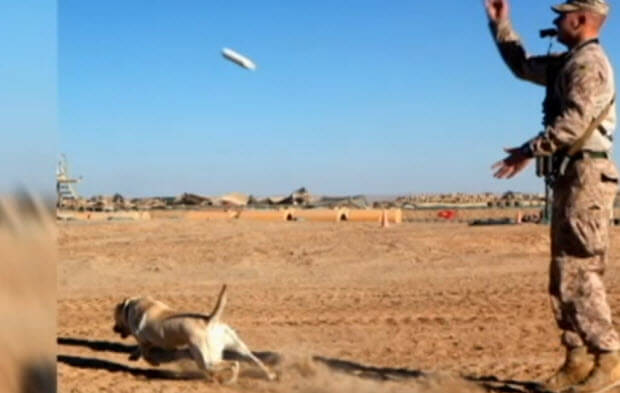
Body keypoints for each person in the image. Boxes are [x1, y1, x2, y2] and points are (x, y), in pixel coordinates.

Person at [484, 0, 619, 391]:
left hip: (587, 175)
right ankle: (577, 357)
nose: (556, 21)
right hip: (570, 175)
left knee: (581, 269)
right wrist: (501, 25)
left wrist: (530, 150)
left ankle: (608, 357)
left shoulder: (588, 65)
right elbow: (523, 66)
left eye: (561, 15)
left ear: (581, 19)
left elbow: (574, 120)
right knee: (563, 272)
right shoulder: (568, 62)